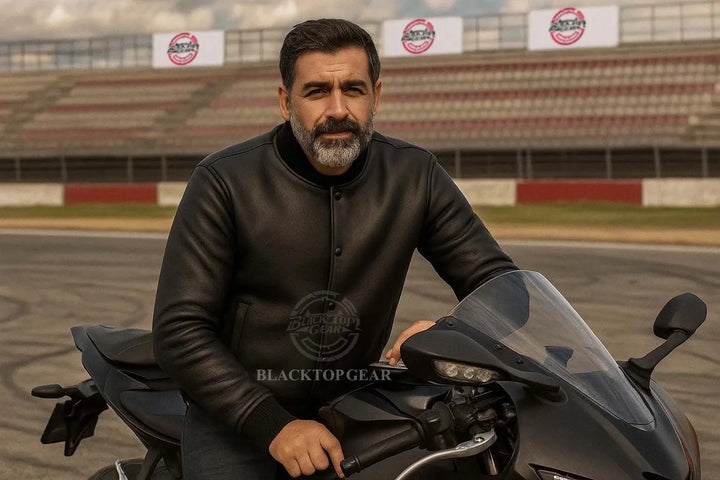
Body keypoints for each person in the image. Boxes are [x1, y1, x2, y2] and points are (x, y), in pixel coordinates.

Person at [152, 18, 517, 480]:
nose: (338, 109)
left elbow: (501, 285)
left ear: (376, 96)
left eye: (354, 89)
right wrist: (272, 425)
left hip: (354, 404)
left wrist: (453, 328)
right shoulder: (223, 181)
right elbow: (179, 329)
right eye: (317, 91)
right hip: (235, 413)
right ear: (286, 101)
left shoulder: (415, 175)